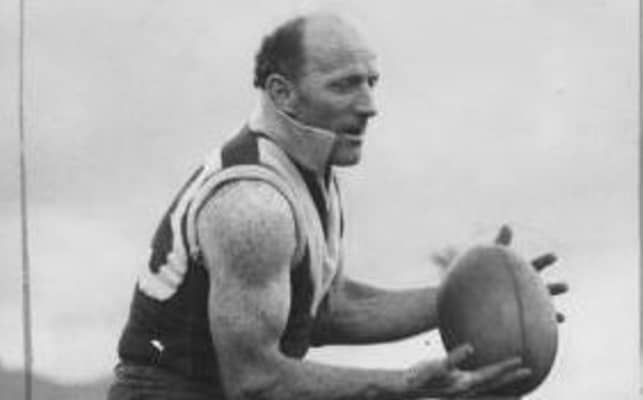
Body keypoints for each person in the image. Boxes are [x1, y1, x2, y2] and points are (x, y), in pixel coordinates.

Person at [108, 13, 567, 400]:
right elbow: (254, 381)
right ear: (283, 93)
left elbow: (328, 311)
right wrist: (405, 384)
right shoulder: (255, 205)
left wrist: (488, 299)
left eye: (371, 82)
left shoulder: (305, 168)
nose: (370, 106)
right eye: (345, 85)